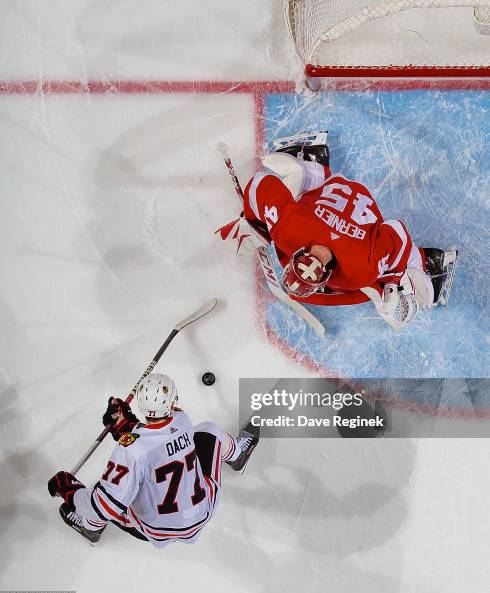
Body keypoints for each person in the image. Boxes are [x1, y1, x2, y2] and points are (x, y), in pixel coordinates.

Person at [222, 131, 457, 330]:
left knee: (382, 274)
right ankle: (312, 161)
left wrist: (398, 277)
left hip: (352, 205)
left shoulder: (358, 270)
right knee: (308, 205)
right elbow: (261, 183)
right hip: (334, 195)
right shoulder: (289, 229)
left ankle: (431, 263)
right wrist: (257, 222)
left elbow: (395, 231)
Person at [48, 373, 259, 547]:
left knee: (103, 494)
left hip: (156, 529)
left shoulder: (130, 451)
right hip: (202, 511)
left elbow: (104, 506)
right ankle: (237, 453)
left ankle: (90, 527)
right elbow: (158, 436)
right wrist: (125, 424)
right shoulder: (182, 421)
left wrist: (68, 489)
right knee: (209, 431)